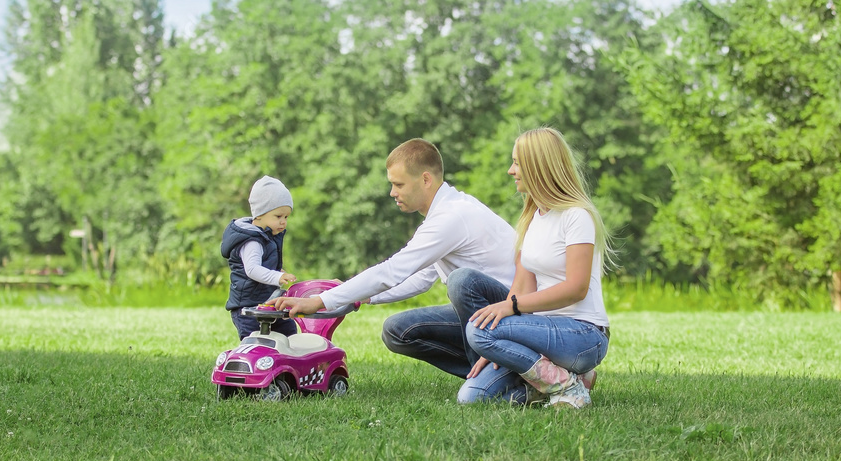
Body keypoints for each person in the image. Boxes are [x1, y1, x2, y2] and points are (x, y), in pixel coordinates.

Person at [272, 138, 516, 379]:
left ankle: (501, 374)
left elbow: (391, 271)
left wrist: (319, 301)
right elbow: (420, 278)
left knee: (461, 282)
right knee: (397, 330)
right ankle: (486, 372)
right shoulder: (444, 213)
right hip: (486, 312)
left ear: (425, 179)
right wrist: (359, 296)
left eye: (398, 184)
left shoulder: (451, 216)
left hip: (513, 315)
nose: (392, 193)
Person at [452, 127, 613, 409]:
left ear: (539, 167)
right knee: (471, 398)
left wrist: (508, 311)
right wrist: (495, 345)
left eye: (517, 163)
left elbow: (576, 288)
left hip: (583, 336)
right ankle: (567, 381)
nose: (510, 170)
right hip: (541, 336)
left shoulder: (577, 216)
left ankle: (567, 386)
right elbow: (522, 287)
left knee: (477, 330)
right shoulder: (532, 218)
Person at [221, 175, 298, 340]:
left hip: (268, 303)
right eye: (278, 216)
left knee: (288, 335)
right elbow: (252, 269)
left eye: (286, 217)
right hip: (249, 307)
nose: (283, 222)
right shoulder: (252, 241)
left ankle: (285, 363)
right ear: (260, 214)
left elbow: (264, 265)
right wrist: (277, 276)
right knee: (255, 343)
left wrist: (276, 270)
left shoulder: (268, 236)